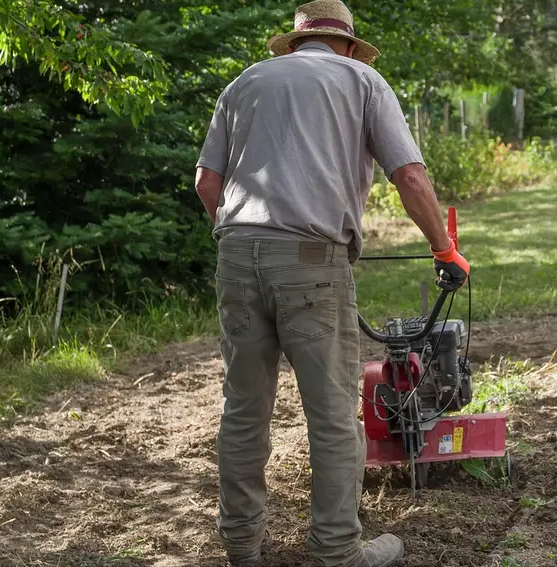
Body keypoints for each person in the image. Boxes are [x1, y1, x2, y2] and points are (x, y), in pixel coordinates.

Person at [193, 1, 469, 566]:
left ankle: (241, 547)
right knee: (333, 415)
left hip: (236, 253)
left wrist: (247, 240)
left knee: (243, 410)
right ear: (348, 44)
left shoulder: (245, 83)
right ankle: (338, 551)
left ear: (296, 42)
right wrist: (445, 249)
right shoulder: (361, 81)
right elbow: (409, 175)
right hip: (312, 260)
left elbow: (206, 182)